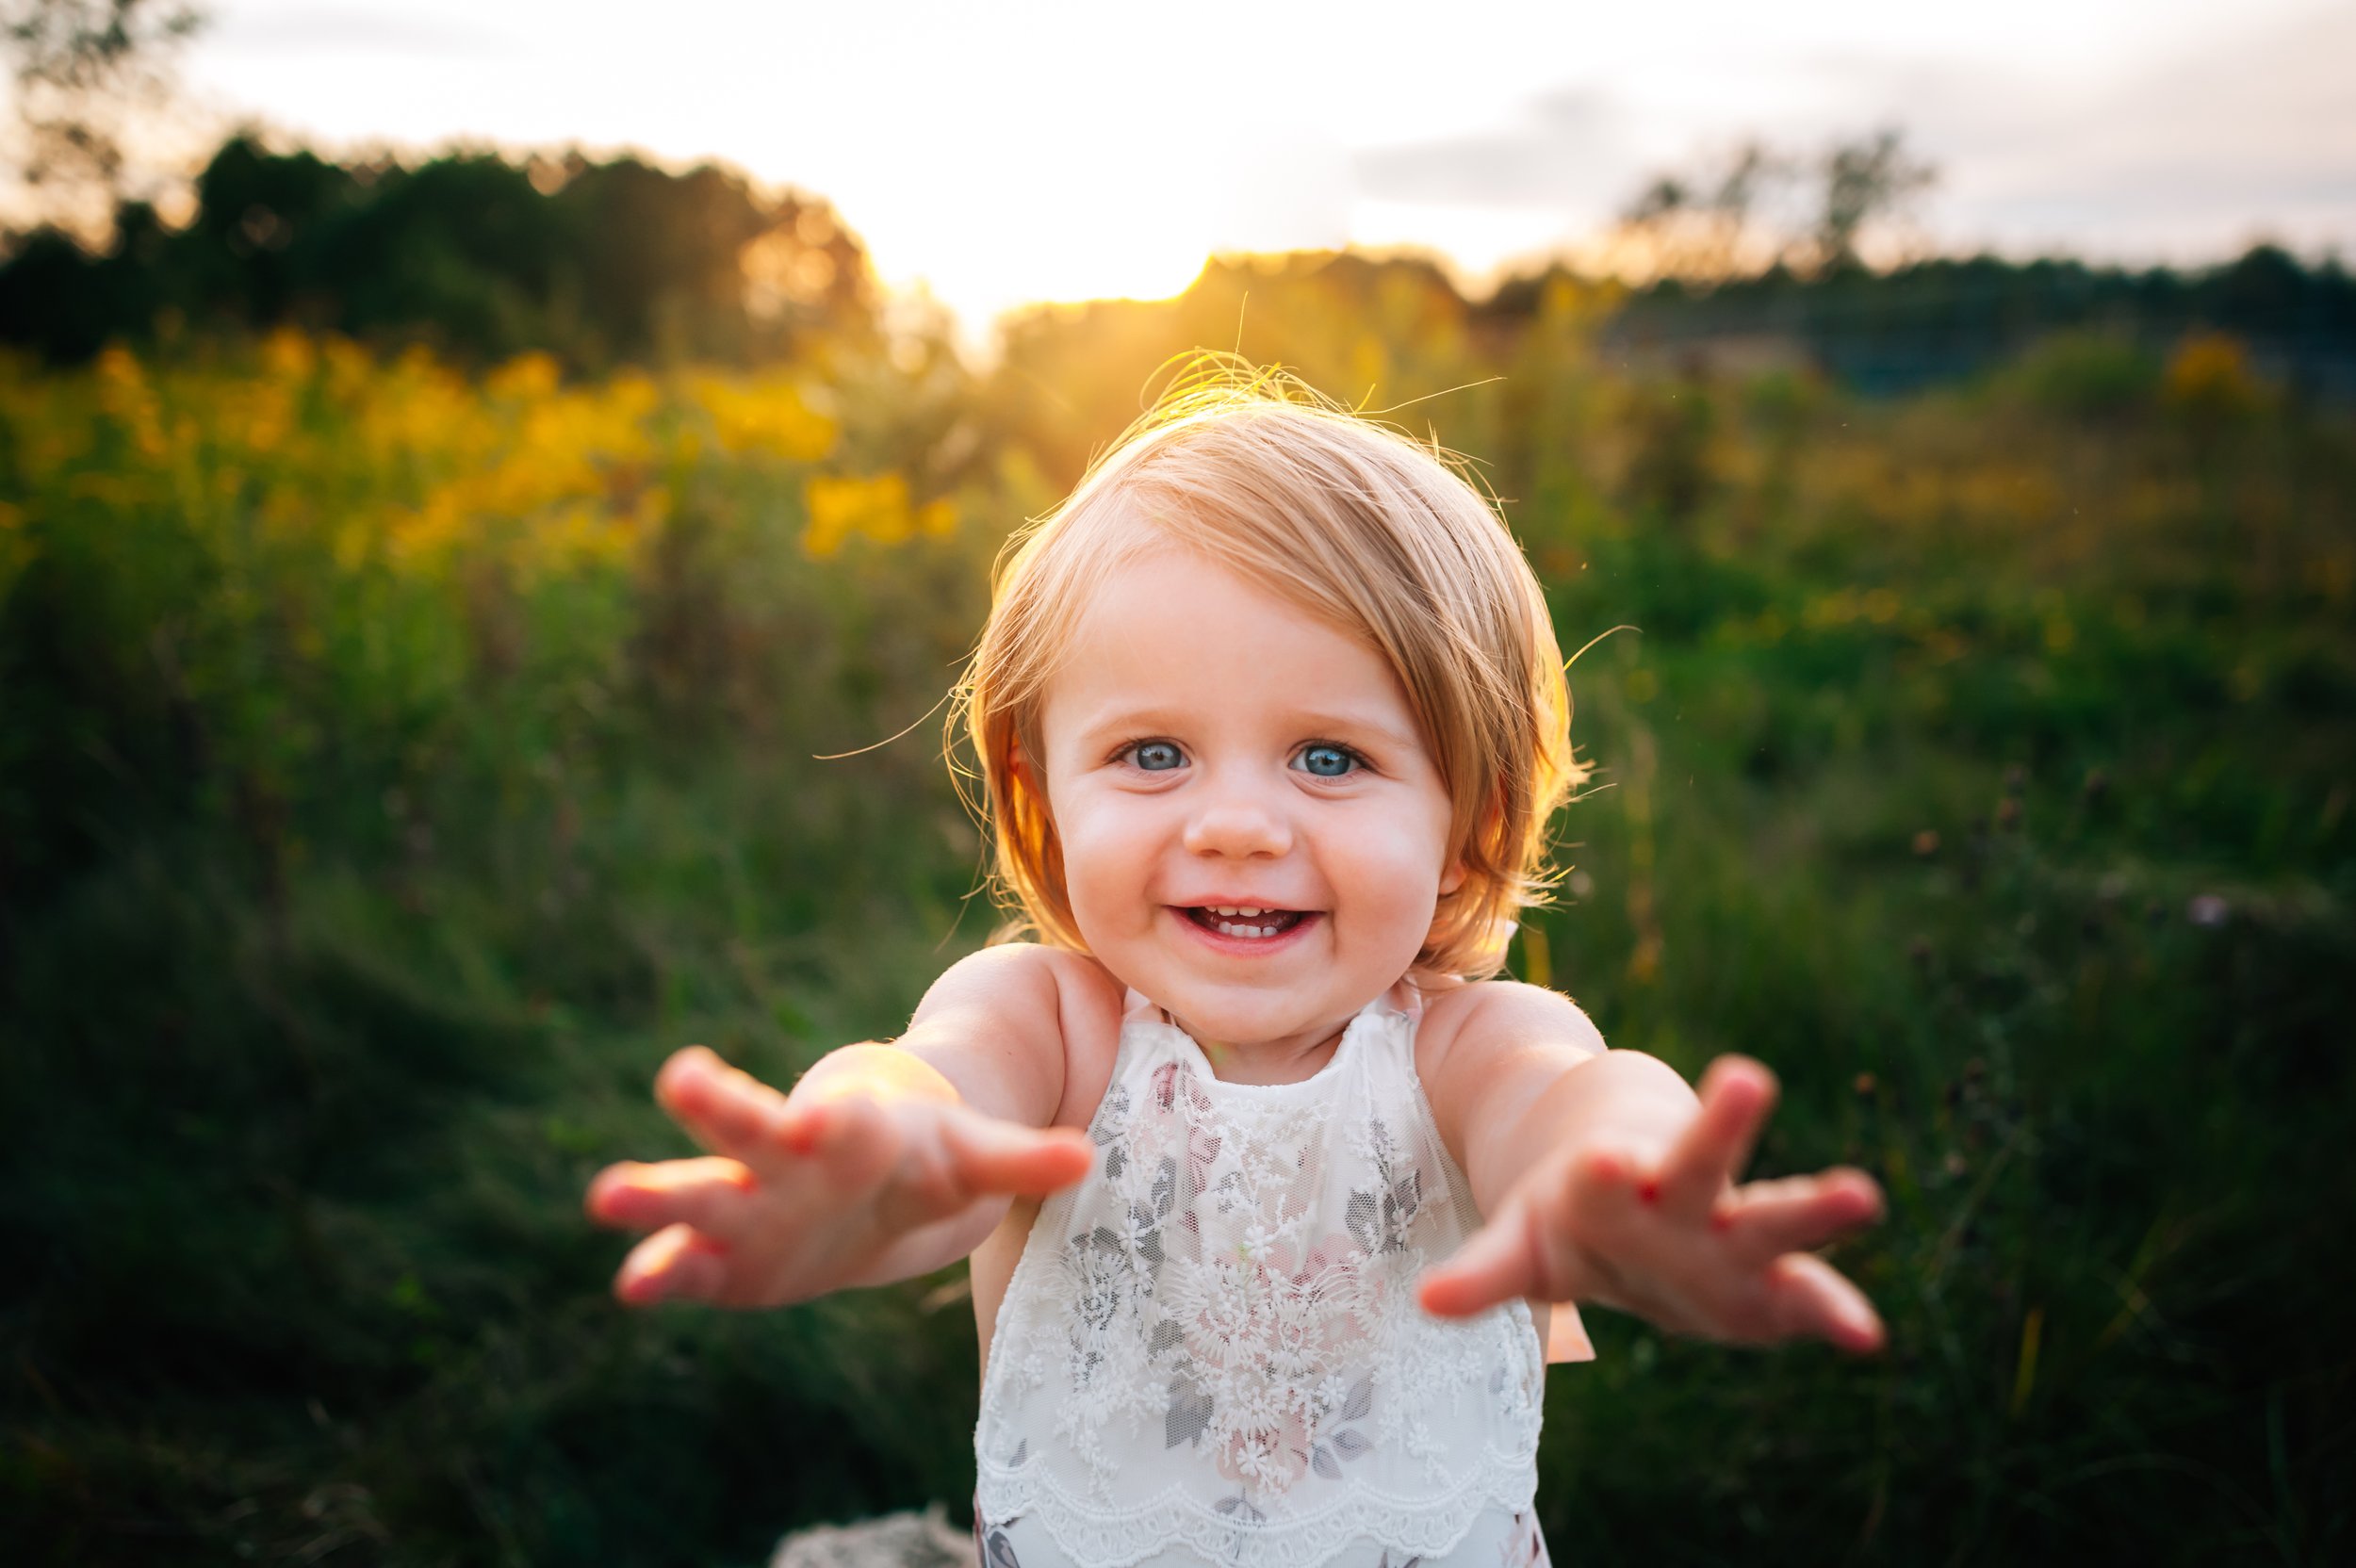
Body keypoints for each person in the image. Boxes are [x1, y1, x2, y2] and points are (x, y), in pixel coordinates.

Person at [586, 366, 1885, 1568]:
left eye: (1329, 757)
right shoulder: (1054, 1022)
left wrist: (1626, 1189)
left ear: (1469, 825)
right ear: (1043, 805)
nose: (1237, 825)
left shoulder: (1458, 1049)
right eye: (1154, 754)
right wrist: (866, 1156)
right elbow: (933, 1092)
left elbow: (1571, 1097)